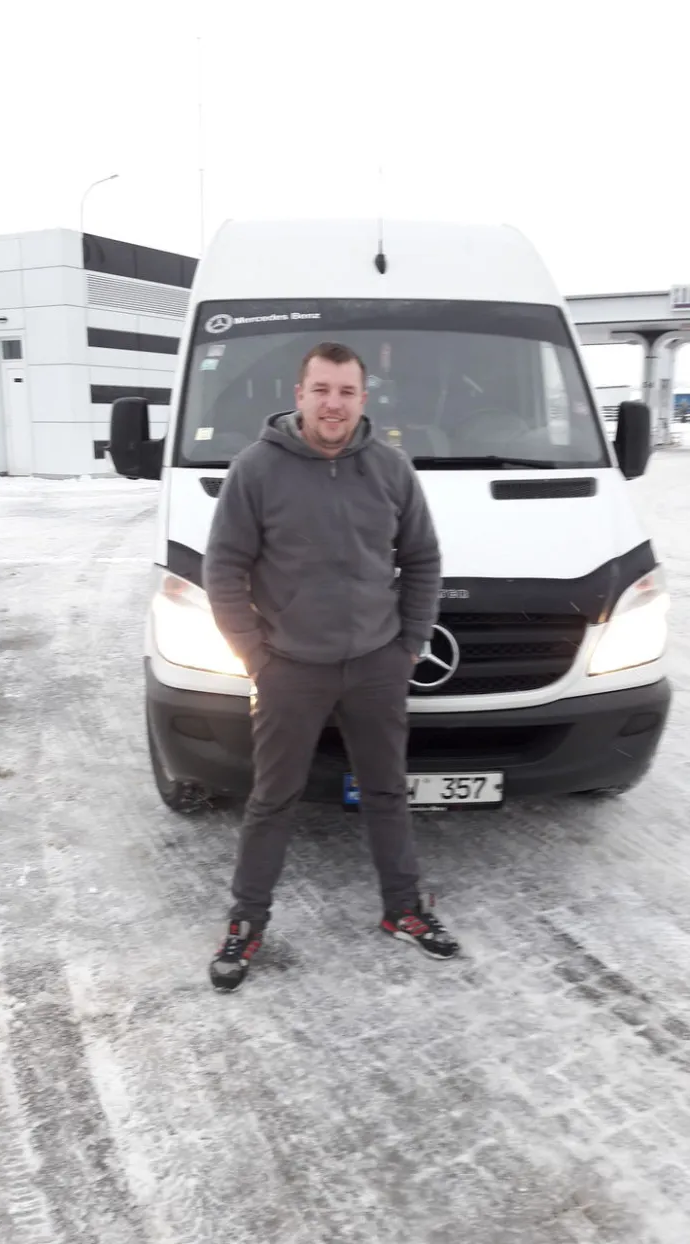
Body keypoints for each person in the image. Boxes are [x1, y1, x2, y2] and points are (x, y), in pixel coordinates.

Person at [203, 341, 459, 991]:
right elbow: (223, 568)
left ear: (363, 399)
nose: (333, 404)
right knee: (272, 799)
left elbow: (422, 558)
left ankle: (403, 908)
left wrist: (409, 644)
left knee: (386, 791)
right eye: (321, 390)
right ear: (299, 395)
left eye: (346, 391)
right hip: (289, 668)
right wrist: (255, 656)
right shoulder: (256, 470)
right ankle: (247, 921)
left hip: (377, 664)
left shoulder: (390, 469)